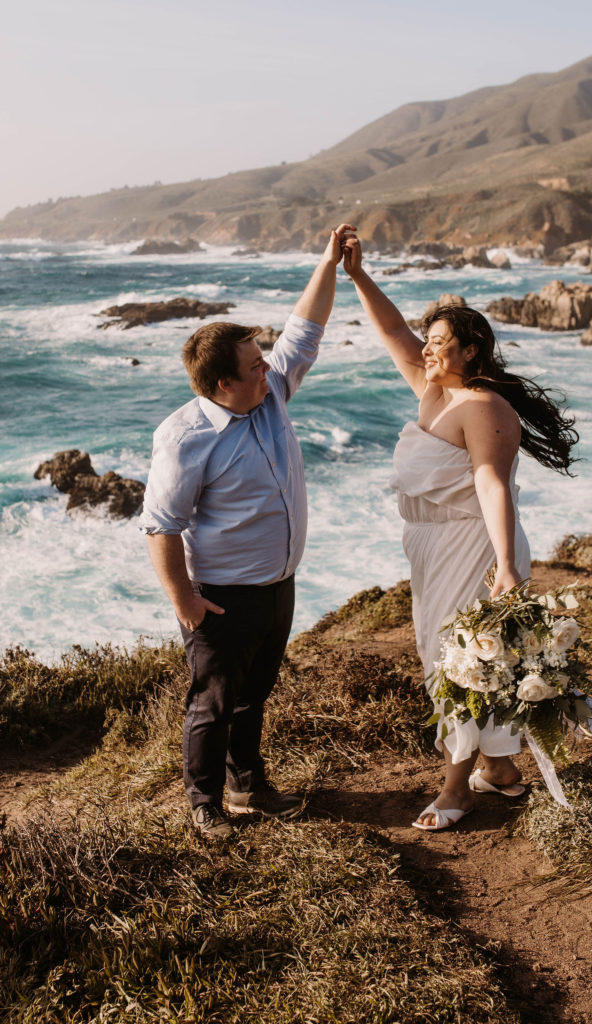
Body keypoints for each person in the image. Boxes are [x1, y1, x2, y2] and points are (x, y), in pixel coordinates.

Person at [342, 234, 578, 831]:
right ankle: (498, 770)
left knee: (461, 662)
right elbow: (396, 333)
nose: (427, 349)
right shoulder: (433, 390)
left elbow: (492, 485)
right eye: (430, 340)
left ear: (471, 352)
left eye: (441, 343)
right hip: (427, 544)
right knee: (442, 654)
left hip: (471, 544)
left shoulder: (484, 408)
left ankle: (457, 787)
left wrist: (506, 565)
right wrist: (359, 276)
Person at [140, 225, 354, 839]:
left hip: (277, 582)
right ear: (221, 385)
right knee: (210, 703)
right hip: (222, 593)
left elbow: (304, 328)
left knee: (253, 693)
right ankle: (204, 804)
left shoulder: (271, 395)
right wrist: (184, 599)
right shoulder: (184, 438)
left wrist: (326, 262)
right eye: (255, 366)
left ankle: (247, 785)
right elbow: (161, 525)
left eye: (264, 361)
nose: (268, 368)